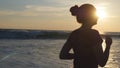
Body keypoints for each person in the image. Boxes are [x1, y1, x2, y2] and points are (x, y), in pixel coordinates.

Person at [59, 4, 112, 68]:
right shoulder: (93, 34)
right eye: (95, 14)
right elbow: (102, 62)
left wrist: (77, 56)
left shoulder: (74, 34)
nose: (98, 17)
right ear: (89, 16)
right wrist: (108, 46)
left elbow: (63, 55)